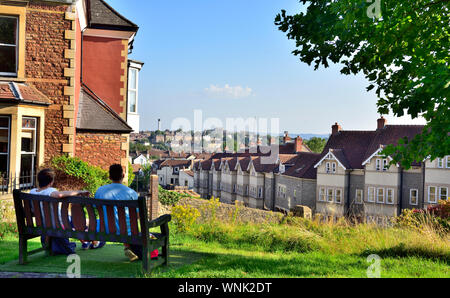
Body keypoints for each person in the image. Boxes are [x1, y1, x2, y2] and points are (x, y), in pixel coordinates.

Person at [30, 169, 91, 255]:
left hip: (43, 225)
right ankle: (86, 241)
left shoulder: (32, 192)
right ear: (51, 182)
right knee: (73, 220)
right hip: (57, 224)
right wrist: (79, 191)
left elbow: (32, 210)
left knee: (70, 220)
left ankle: (85, 242)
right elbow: (59, 195)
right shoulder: (49, 191)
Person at [95, 164, 142, 262]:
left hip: (104, 229)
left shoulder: (100, 191)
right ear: (123, 175)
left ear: (109, 176)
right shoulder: (131, 193)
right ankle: (130, 247)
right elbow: (137, 216)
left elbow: (97, 209)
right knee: (133, 230)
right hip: (126, 232)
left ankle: (130, 248)